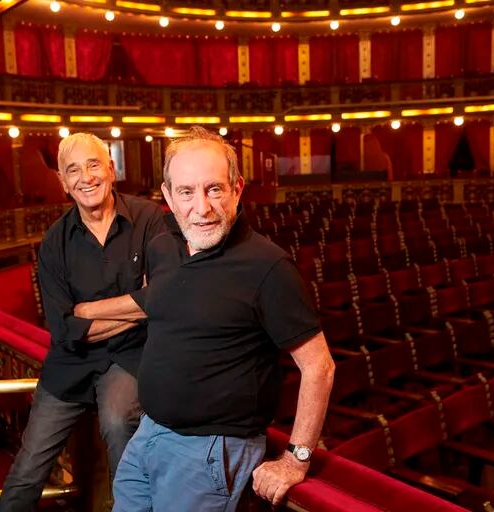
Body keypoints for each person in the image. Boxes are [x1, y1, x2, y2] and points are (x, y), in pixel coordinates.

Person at [74, 127, 335, 511]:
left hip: (210, 453)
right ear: (167, 197)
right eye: (186, 192)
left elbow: (320, 367)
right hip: (147, 435)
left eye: (214, 189)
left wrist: (296, 458)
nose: (202, 207)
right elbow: (165, 309)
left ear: (236, 189)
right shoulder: (161, 248)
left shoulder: (268, 267)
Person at [0, 133, 166, 512]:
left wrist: (88, 310)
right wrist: (136, 309)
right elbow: (64, 329)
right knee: (29, 465)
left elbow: (163, 297)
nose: (86, 177)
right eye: (73, 170)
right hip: (70, 363)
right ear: (62, 182)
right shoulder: (54, 241)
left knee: (119, 423)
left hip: (129, 358)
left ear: (111, 168)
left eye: (93, 165)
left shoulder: (148, 219)